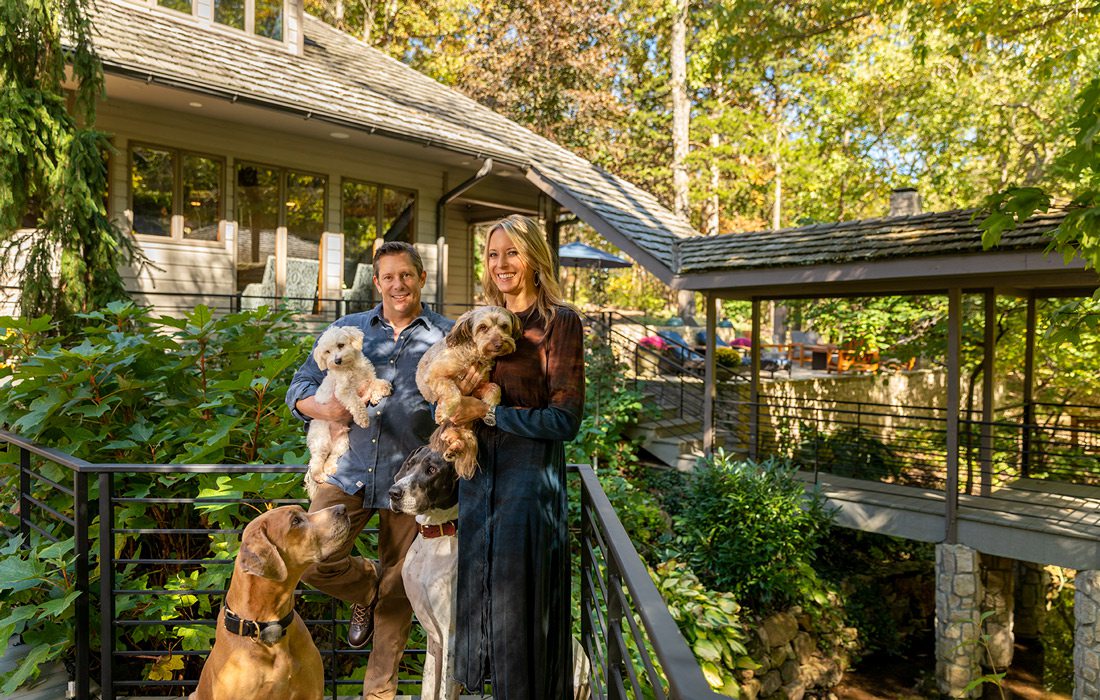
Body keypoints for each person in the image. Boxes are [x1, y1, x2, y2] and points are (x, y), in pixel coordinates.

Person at [286, 241, 452, 700]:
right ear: (376, 282)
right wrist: (323, 408)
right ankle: (364, 591)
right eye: (388, 277)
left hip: (411, 481)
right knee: (312, 556)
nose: (398, 284)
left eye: (406, 275)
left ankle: (378, 693)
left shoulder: (446, 334)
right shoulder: (347, 329)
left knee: (399, 591)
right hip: (348, 470)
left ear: (420, 278)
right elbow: (297, 387)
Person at [446, 214, 586, 699]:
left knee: (519, 613)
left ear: (533, 257)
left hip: (527, 489)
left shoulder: (558, 322)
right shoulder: (478, 322)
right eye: (492, 254)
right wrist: (452, 404)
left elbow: (564, 419)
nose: (501, 263)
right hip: (477, 481)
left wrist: (488, 414)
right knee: (481, 606)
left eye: (512, 252)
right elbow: (446, 390)